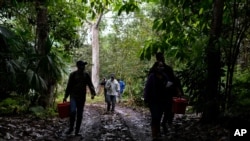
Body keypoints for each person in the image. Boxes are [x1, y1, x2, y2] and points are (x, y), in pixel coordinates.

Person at [147, 52, 183, 135]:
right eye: (160, 57)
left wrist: (178, 91)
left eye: (162, 57)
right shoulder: (153, 70)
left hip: (168, 93)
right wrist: (147, 97)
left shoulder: (168, 69)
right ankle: (156, 132)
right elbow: (149, 84)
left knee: (169, 111)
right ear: (157, 58)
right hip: (156, 96)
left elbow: (174, 80)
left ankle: (164, 124)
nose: (162, 59)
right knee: (157, 114)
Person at [63, 60, 96, 136]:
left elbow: (90, 84)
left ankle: (77, 131)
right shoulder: (73, 75)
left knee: (80, 114)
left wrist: (93, 93)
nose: (83, 67)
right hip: (73, 96)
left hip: (82, 97)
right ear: (78, 66)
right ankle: (71, 128)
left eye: (84, 65)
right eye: (82, 65)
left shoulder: (86, 75)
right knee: (72, 111)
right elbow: (69, 86)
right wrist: (65, 96)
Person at [144, 61, 172, 140]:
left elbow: (169, 84)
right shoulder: (152, 76)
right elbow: (147, 87)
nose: (161, 67)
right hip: (153, 100)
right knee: (155, 116)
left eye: (162, 66)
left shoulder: (165, 76)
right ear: (156, 67)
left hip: (162, 100)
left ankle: (158, 132)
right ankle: (154, 134)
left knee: (159, 116)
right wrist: (146, 98)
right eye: (159, 66)